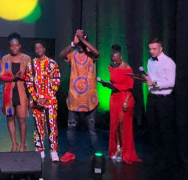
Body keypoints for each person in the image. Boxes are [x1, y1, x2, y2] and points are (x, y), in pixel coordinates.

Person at [59, 29, 100, 162]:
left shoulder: (91, 55)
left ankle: (94, 153)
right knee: (71, 127)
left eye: (83, 40)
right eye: (79, 40)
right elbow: (62, 55)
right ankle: (70, 152)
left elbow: (97, 52)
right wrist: (73, 43)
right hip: (74, 98)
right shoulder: (73, 54)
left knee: (91, 129)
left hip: (89, 98)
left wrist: (82, 39)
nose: (81, 44)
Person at [143, 37, 179, 173]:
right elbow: (151, 79)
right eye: (150, 49)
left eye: (154, 49)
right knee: (153, 129)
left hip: (164, 100)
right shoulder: (149, 61)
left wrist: (155, 83)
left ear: (161, 48)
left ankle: (169, 162)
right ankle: (156, 159)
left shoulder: (169, 62)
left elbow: (171, 82)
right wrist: (146, 79)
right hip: (152, 98)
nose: (151, 51)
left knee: (165, 130)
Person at [25, 40, 60, 162]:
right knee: (38, 126)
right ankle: (40, 149)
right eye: (36, 48)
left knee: (52, 126)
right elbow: (28, 82)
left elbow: (56, 81)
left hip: (50, 101)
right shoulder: (31, 64)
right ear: (34, 51)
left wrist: (46, 98)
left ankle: (53, 151)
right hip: (36, 102)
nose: (39, 50)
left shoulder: (52, 63)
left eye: (40, 48)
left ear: (44, 49)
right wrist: (36, 98)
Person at [107, 44, 140, 164]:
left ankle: (124, 150)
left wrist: (126, 102)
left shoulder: (128, 68)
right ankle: (117, 148)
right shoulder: (111, 66)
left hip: (125, 97)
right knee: (114, 125)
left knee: (122, 123)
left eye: (116, 60)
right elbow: (113, 81)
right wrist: (108, 84)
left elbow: (130, 88)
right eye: (113, 60)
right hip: (114, 97)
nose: (114, 62)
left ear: (121, 57)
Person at [0, 33, 31, 152]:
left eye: (16, 45)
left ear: (20, 46)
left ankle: (22, 144)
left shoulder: (26, 59)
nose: (14, 48)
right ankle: (14, 144)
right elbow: (1, 75)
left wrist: (21, 76)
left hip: (21, 92)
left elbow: (31, 76)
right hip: (9, 93)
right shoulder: (5, 59)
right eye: (12, 46)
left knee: (21, 118)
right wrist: (12, 78)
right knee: (10, 117)